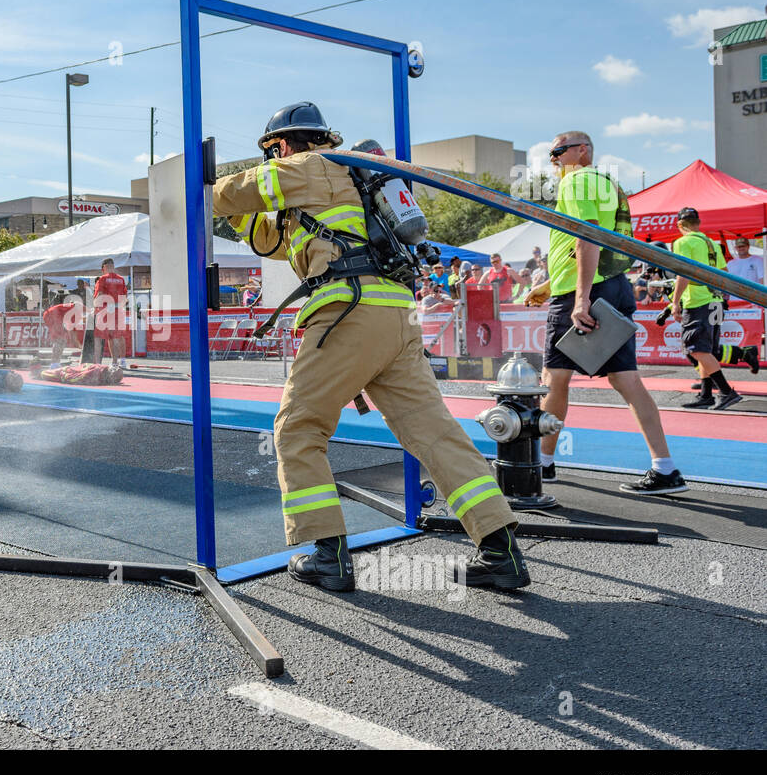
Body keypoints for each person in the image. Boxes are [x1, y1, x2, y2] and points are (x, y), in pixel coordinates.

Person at [213, 100, 530, 592]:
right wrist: (241, 216)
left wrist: (204, 187)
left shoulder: (306, 167)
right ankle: (500, 548)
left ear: (282, 145)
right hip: (397, 320)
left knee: (298, 429)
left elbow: (235, 192)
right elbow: (270, 238)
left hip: (346, 313)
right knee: (433, 433)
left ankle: (327, 555)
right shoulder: (350, 181)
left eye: (274, 151)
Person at [524, 130, 685, 494]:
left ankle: (542, 465)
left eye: (558, 152)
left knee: (555, 377)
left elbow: (589, 237)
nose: (554, 160)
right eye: (551, 154)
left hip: (584, 293)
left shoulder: (578, 180)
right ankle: (665, 468)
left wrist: (579, 300)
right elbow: (591, 250)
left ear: (582, 151)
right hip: (611, 286)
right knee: (625, 378)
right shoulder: (604, 182)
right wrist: (550, 285)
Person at [664, 208, 758, 408]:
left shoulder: (683, 242)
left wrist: (675, 302)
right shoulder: (712, 244)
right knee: (707, 350)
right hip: (715, 301)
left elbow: (684, 273)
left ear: (680, 225)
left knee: (696, 350)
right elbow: (724, 272)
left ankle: (726, 392)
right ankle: (706, 395)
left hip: (698, 301)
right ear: (698, 223)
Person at [92, 257, 129, 363]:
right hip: (119, 309)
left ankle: (113, 362)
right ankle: (123, 361)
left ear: (104, 268)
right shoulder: (121, 279)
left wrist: (95, 307)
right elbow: (124, 298)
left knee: (109, 337)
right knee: (120, 336)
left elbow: (100, 295)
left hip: (107, 310)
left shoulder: (102, 279)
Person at [41, 292, 82, 364]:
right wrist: (81, 348)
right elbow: (73, 338)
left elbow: (73, 337)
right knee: (59, 339)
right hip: (52, 315)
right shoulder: (74, 310)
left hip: (49, 315)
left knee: (62, 340)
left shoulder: (73, 313)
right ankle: (54, 363)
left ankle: (56, 362)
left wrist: (80, 347)